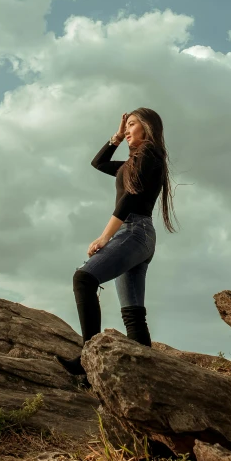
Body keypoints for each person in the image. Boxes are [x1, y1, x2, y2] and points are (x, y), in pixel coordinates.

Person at [56, 108, 179, 385]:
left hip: (134, 231)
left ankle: (88, 360)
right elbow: (98, 163)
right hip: (140, 236)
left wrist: (104, 237)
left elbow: (130, 199)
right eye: (127, 125)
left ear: (147, 128)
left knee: (84, 278)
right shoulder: (131, 163)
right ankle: (149, 377)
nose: (127, 130)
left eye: (132, 125)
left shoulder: (149, 154)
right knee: (133, 313)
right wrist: (117, 135)